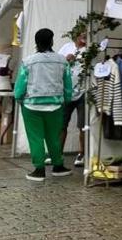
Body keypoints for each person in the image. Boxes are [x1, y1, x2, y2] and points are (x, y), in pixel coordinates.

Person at [14, 28, 73, 182]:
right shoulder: (62, 61)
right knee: (54, 137)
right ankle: (58, 166)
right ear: (52, 41)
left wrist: (18, 97)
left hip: (32, 106)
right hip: (56, 105)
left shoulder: (28, 62)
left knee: (36, 138)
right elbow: (68, 86)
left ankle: (39, 170)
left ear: (36, 42)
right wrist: (66, 99)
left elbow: (20, 88)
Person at [58, 27, 87, 167]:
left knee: (83, 126)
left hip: (83, 92)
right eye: (82, 34)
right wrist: (65, 60)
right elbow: (56, 65)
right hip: (67, 91)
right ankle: (57, 154)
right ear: (75, 35)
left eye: (86, 34)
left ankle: (82, 154)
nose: (84, 36)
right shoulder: (66, 47)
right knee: (61, 124)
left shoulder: (90, 50)